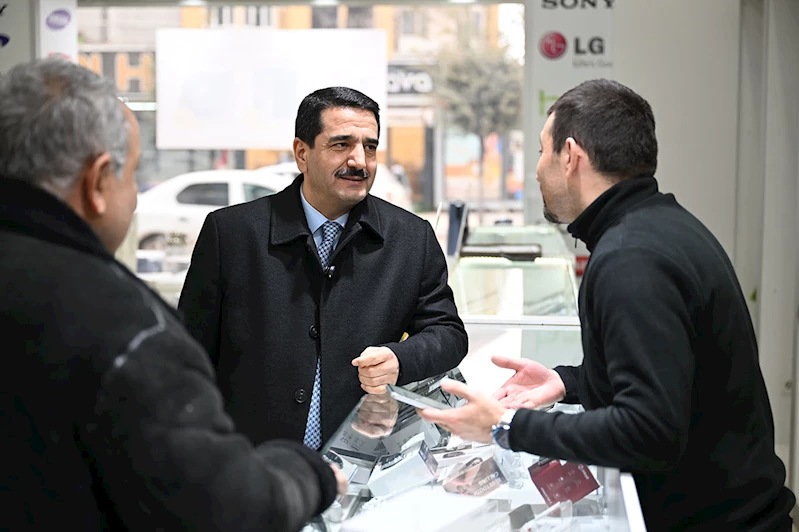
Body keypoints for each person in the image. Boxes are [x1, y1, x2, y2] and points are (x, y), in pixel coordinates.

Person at [419, 79, 795, 531]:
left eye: (541, 151)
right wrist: (568, 382)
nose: (536, 170)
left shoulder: (630, 257)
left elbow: (649, 432)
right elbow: (670, 372)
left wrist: (507, 426)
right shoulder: (660, 227)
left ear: (570, 156)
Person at [0, 58, 345, 531]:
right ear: (97, 183)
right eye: (131, 175)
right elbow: (225, 506)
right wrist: (306, 472)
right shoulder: (124, 327)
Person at [179, 87, 467, 450]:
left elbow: (448, 333)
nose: (359, 161)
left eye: (370, 147)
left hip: (361, 458)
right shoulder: (232, 234)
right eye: (341, 145)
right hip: (251, 460)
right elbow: (187, 353)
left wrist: (400, 359)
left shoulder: (411, 238)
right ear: (302, 153)